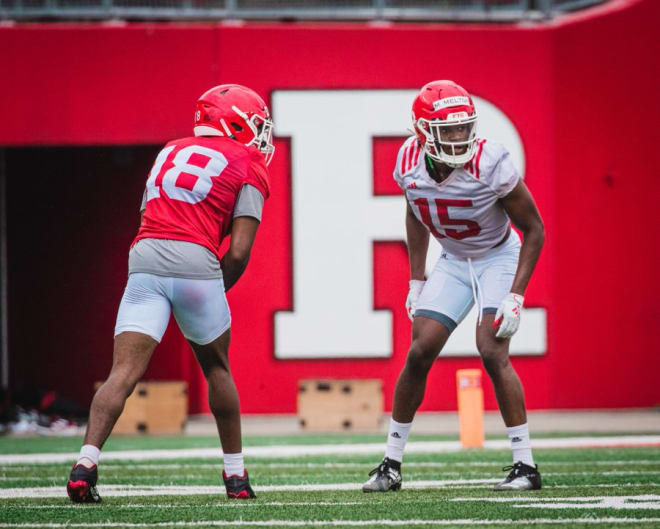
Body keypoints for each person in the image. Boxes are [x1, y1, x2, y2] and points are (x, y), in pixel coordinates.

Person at [66, 84, 274, 503]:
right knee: (217, 368)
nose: (260, 136)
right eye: (254, 126)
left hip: (143, 258)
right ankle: (236, 478)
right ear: (232, 122)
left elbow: (148, 216)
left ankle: (84, 465)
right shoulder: (248, 160)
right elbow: (238, 250)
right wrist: (211, 289)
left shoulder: (169, 150)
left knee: (121, 373)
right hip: (196, 262)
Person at [362, 80, 545, 493]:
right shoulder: (409, 160)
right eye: (450, 130)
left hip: (497, 255)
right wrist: (416, 277)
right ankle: (391, 464)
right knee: (420, 348)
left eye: (465, 128)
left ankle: (525, 466)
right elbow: (414, 210)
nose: (460, 137)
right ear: (424, 132)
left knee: (491, 348)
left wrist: (516, 295)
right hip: (453, 258)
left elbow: (534, 229)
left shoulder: (490, 161)